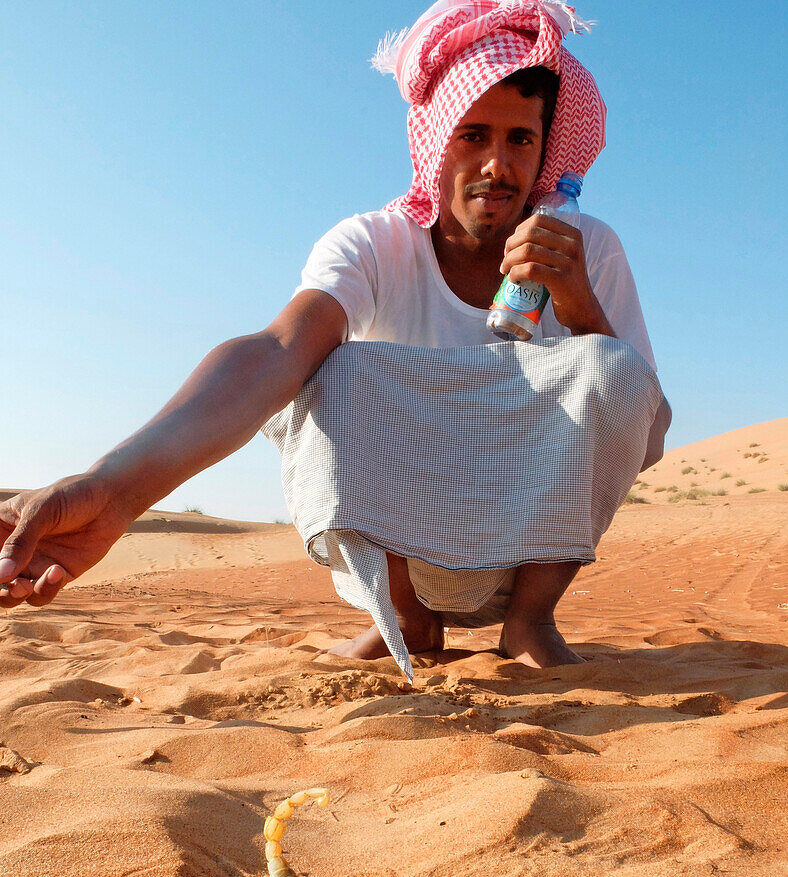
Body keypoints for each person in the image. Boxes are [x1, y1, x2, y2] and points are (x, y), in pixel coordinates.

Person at [0, 0, 671, 673]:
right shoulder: (372, 244)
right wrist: (111, 492)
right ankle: (407, 621)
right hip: (398, 550)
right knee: (331, 368)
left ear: (545, 145)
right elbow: (275, 351)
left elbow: (646, 430)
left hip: (529, 544)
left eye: (520, 139)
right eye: (473, 135)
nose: (497, 165)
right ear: (435, 140)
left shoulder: (587, 248)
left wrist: (580, 307)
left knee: (612, 365)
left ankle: (529, 622)